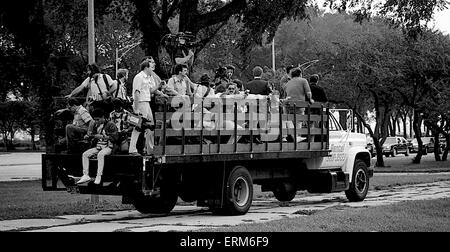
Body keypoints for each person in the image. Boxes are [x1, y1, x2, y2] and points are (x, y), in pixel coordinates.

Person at [129, 57, 168, 155]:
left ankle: (150, 150)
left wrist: (160, 90)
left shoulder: (148, 77)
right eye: (151, 67)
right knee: (138, 126)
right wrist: (137, 108)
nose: (153, 69)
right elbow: (137, 93)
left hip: (146, 103)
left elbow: (150, 90)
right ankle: (132, 149)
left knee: (151, 126)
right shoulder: (139, 77)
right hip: (141, 103)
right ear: (146, 67)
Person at [77, 108, 119, 185]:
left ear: (103, 117)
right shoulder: (96, 125)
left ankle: (99, 176)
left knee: (101, 154)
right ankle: (86, 175)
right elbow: (93, 135)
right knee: (85, 154)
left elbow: (115, 138)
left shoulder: (111, 124)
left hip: (109, 147)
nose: (96, 121)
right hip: (99, 146)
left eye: (97, 119)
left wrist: (103, 137)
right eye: (95, 120)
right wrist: (89, 136)